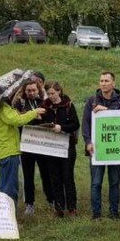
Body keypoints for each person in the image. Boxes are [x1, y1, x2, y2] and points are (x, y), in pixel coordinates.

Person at [83, 71, 120, 220]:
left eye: (106, 81)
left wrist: (106, 111)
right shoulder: (92, 100)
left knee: (114, 182)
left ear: (113, 83)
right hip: (96, 149)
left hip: (115, 149)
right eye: (101, 81)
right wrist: (88, 142)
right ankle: (96, 214)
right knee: (96, 183)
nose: (103, 83)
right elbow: (86, 123)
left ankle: (114, 212)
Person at [0, 84, 47, 203]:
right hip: (9, 151)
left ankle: (2, 213)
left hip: (7, 151)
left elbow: (14, 118)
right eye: (9, 92)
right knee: (10, 187)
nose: (12, 94)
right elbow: (18, 121)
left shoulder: (2, 108)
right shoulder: (3, 108)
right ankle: (9, 215)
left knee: (5, 184)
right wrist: (34, 112)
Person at [40, 81, 80, 216]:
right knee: (54, 177)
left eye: (52, 93)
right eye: (48, 93)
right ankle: (59, 208)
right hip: (51, 146)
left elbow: (75, 124)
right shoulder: (45, 106)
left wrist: (61, 127)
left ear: (59, 91)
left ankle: (72, 207)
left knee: (67, 177)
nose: (50, 96)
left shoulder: (68, 105)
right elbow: (40, 124)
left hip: (67, 146)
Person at [15, 80, 48, 214]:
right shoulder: (19, 103)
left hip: (42, 143)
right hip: (27, 144)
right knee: (28, 175)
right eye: (29, 90)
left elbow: (48, 118)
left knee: (46, 173)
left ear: (38, 89)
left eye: (34, 90)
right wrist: (34, 116)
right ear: (24, 90)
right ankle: (29, 204)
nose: (32, 93)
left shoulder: (44, 102)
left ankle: (51, 198)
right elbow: (18, 121)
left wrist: (38, 118)